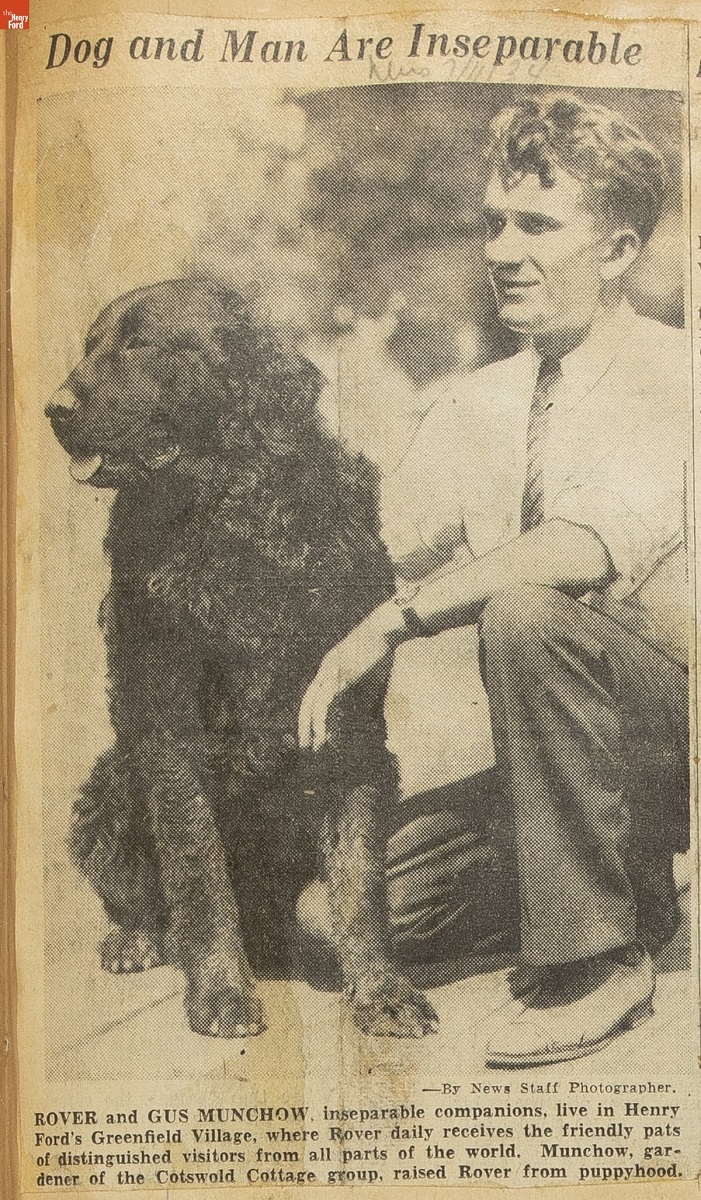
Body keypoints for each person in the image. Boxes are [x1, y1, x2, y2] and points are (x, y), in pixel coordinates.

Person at [297, 93, 689, 1068]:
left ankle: (595, 963)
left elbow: (580, 550)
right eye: (492, 223)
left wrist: (392, 623)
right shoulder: (474, 403)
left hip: (660, 741)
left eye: (537, 224)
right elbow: (381, 549)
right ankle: (600, 888)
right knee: (329, 916)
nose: (501, 250)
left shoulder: (672, 372)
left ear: (615, 247)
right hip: (541, 765)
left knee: (524, 612)